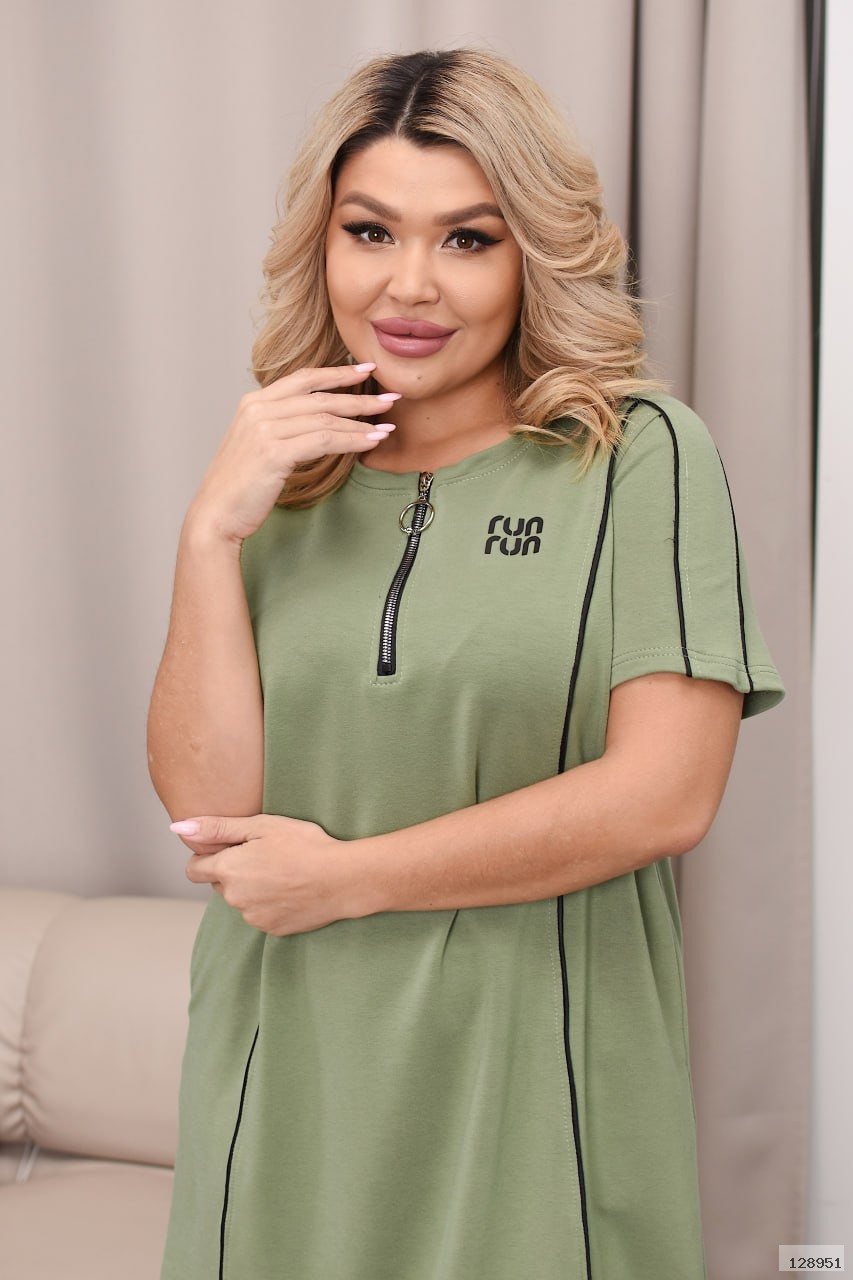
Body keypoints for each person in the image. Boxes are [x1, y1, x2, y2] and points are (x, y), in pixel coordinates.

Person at [147, 48, 784, 1280]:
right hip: (282, 1069)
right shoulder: (276, 483)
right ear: (321, 244)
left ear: (532, 252)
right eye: (370, 231)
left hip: (534, 1081)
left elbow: (664, 794)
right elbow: (209, 809)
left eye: (468, 239)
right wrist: (208, 532)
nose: (410, 284)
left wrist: (351, 877)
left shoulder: (636, 456)